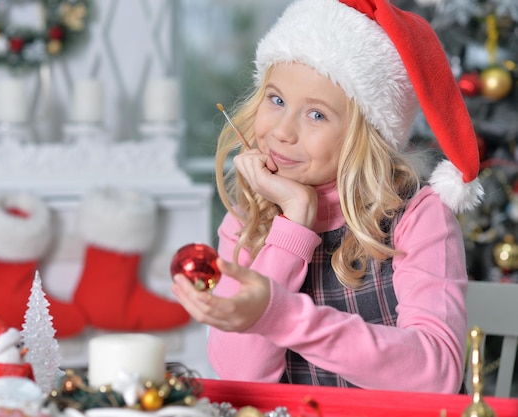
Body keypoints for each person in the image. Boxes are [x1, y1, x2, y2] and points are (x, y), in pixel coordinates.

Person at [171, 0, 484, 394]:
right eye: (276, 99)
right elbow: (240, 376)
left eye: (316, 114)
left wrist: (282, 316)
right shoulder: (247, 218)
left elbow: (435, 374)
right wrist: (292, 224)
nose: (283, 131)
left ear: (364, 135)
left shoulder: (417, 216)